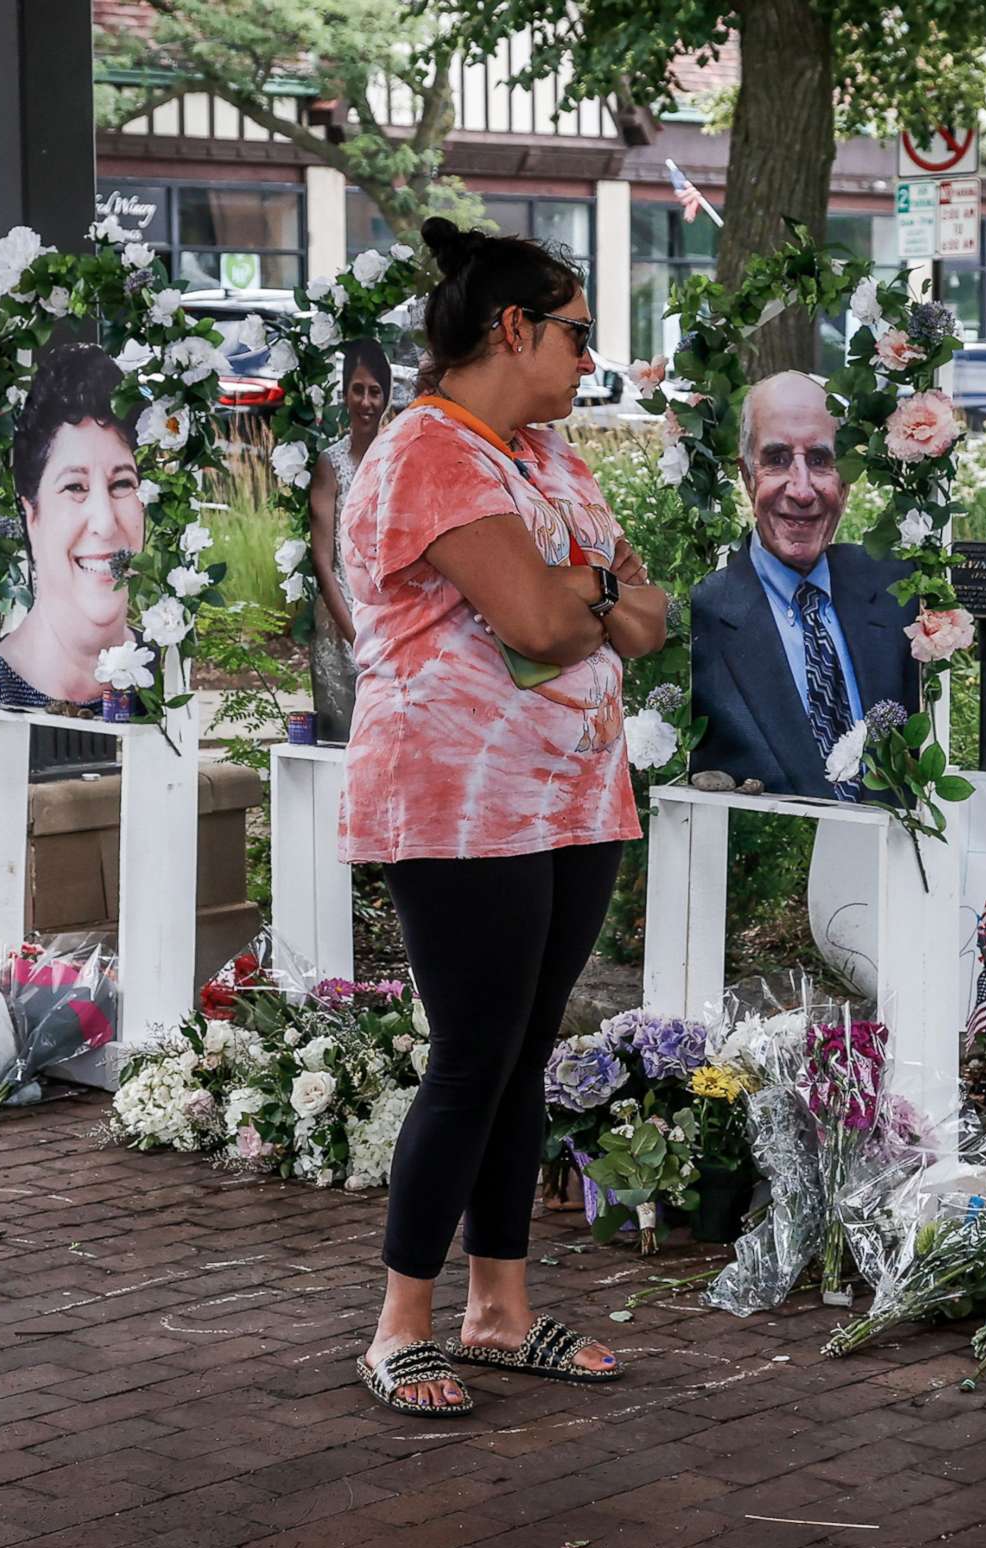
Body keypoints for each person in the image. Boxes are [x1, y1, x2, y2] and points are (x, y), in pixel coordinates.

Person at [337, 217, 667, 1417]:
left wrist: (587, 593)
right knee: (472, 1057)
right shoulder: (431, 451)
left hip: (572, 793)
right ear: (512, 327)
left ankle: (500, 1308)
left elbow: (649, 612)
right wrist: (589, 594)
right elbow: (538, 621)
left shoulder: (548, 456)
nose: (590, 358)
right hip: (456, 803)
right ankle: (399, 1322)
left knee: (526, 1057)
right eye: (577, 333)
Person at [689, 371, 924, 797]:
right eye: (777, 459)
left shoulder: (898, 593)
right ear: (747, 476)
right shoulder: (701, 618)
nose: (801, 490)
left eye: (820, 460)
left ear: (847, 481)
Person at [0, 343, 141, 711]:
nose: (104, 522)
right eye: (74, 487)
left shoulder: (168, 676)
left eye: (122, 484)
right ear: (31, 513)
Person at [306, 341, 393, 739]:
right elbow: (322, 561)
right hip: (341, 616)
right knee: (340, 744)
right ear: (344, 394)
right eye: (358, 389)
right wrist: (354, 637)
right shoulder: (331, 463)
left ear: (386, 397)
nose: (366, 401)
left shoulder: (397, 459)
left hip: (388, 617)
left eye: (375, 391)